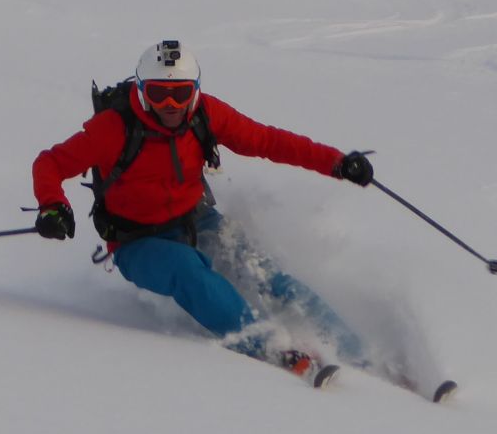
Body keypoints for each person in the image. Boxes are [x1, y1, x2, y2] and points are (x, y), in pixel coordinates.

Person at [31, 40, 376, 386]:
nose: (169, 105)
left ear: (195, 90)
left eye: (179, 94)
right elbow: (51, 163)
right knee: (189, 270)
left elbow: (268, 141)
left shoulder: (206, 114)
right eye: (157, 94)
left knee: (268, 276)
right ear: (140, 89)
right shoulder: (113, 128)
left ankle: (356, 353)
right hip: (135, 242)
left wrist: (336, 162)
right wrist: (53, 206)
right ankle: (266, 344)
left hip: (196, 219)